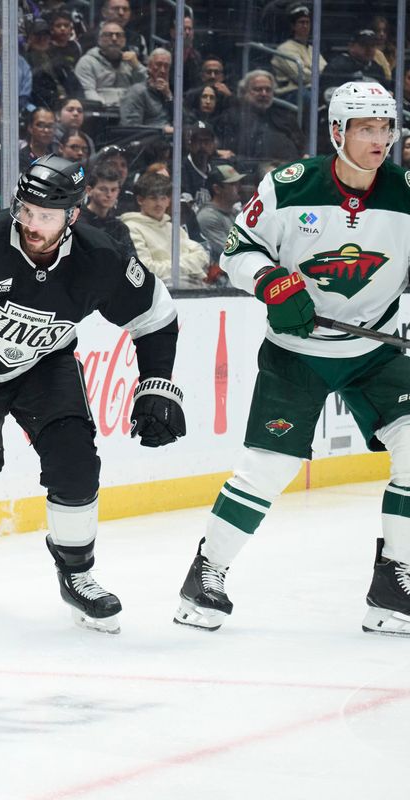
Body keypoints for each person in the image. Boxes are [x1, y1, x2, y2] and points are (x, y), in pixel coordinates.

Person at [0, 154, 183, 633]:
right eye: (25, 211)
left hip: (44, 366)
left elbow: (155, 316)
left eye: (45, 216)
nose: (31, 224)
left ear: (73, 216)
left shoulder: (99, 257)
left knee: (76, 462)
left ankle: (77, 574)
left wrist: (156, 382)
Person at [175, 82, 410, 635]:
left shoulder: (405, 191)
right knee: (270, 467)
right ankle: (205, 576)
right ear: (337, 132)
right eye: (367, 129)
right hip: (297, 353)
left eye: (387, 128)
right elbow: (238, 251)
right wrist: (272, 284)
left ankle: (393, 586)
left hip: (376, 348)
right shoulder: (289, 187)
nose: (381, 140)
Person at [120, 171, 211, 288]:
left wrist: (173, 267)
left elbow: (202, 256)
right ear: (140, 200)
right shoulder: (131, 228)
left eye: (163, 198)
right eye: (153, 198)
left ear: (168, 201)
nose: (159, 204)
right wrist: (191, 265)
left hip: (192, 288)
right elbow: (147, 269)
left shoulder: (173, 227)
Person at [74, 21, 144, 109]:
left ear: (124, 40)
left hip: (130, 111)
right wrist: (106, 108)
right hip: (101, 112)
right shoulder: (87, 62)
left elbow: (145, 88)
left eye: (118, 35)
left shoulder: (131, 61)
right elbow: (88, 92)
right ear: (99, 40)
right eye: (108, 35)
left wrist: (137, 67)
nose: (114, 39)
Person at [80, 161, 135, 257]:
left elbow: (131, 261)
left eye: (113, 190)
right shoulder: (76, 223)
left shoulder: (120, 227)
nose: (109, 195)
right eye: (103, 189)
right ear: (89, 191)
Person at [194, 163, 244, 267]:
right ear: (217, 189)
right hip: (220, 277)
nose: (239, 188)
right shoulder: (208, 217)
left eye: (238, 183)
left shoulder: (235, 212)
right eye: (233, 184)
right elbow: (230, 253)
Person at [273, 6, 325, 102]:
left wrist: (310, 70)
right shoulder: (284, 48)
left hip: (312, 89)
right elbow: (301, 76)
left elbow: (325, 71)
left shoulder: (313, 49)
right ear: (293, 26)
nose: (305, 26)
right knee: (310, 99)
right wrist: (314, 71)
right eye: (301, 22)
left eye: (307, 22)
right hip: (291, 93)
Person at [119, 48, 173, 130]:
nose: (163, 70)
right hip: (149, 140)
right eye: (158, 64)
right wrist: (162, 130)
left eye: (166, 66)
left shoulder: (169, 93)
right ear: (149, 66)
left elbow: (186, 120)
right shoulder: (136, 92)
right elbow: (130, 128)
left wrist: (169, 96)